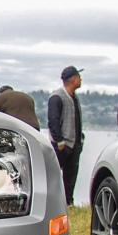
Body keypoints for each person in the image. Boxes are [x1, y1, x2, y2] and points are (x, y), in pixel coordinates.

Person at [47, 66, 83, 205]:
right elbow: (53, 120)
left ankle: (68, 202)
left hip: (75, 144)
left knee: (71, 176)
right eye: (79, 77)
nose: (81, 80)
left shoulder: (75, 98)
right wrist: (59, 140)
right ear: (73, 79)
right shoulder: (57, 97)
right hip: (62, 145)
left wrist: (81, 140)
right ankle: (53, 202)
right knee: (55, 175)